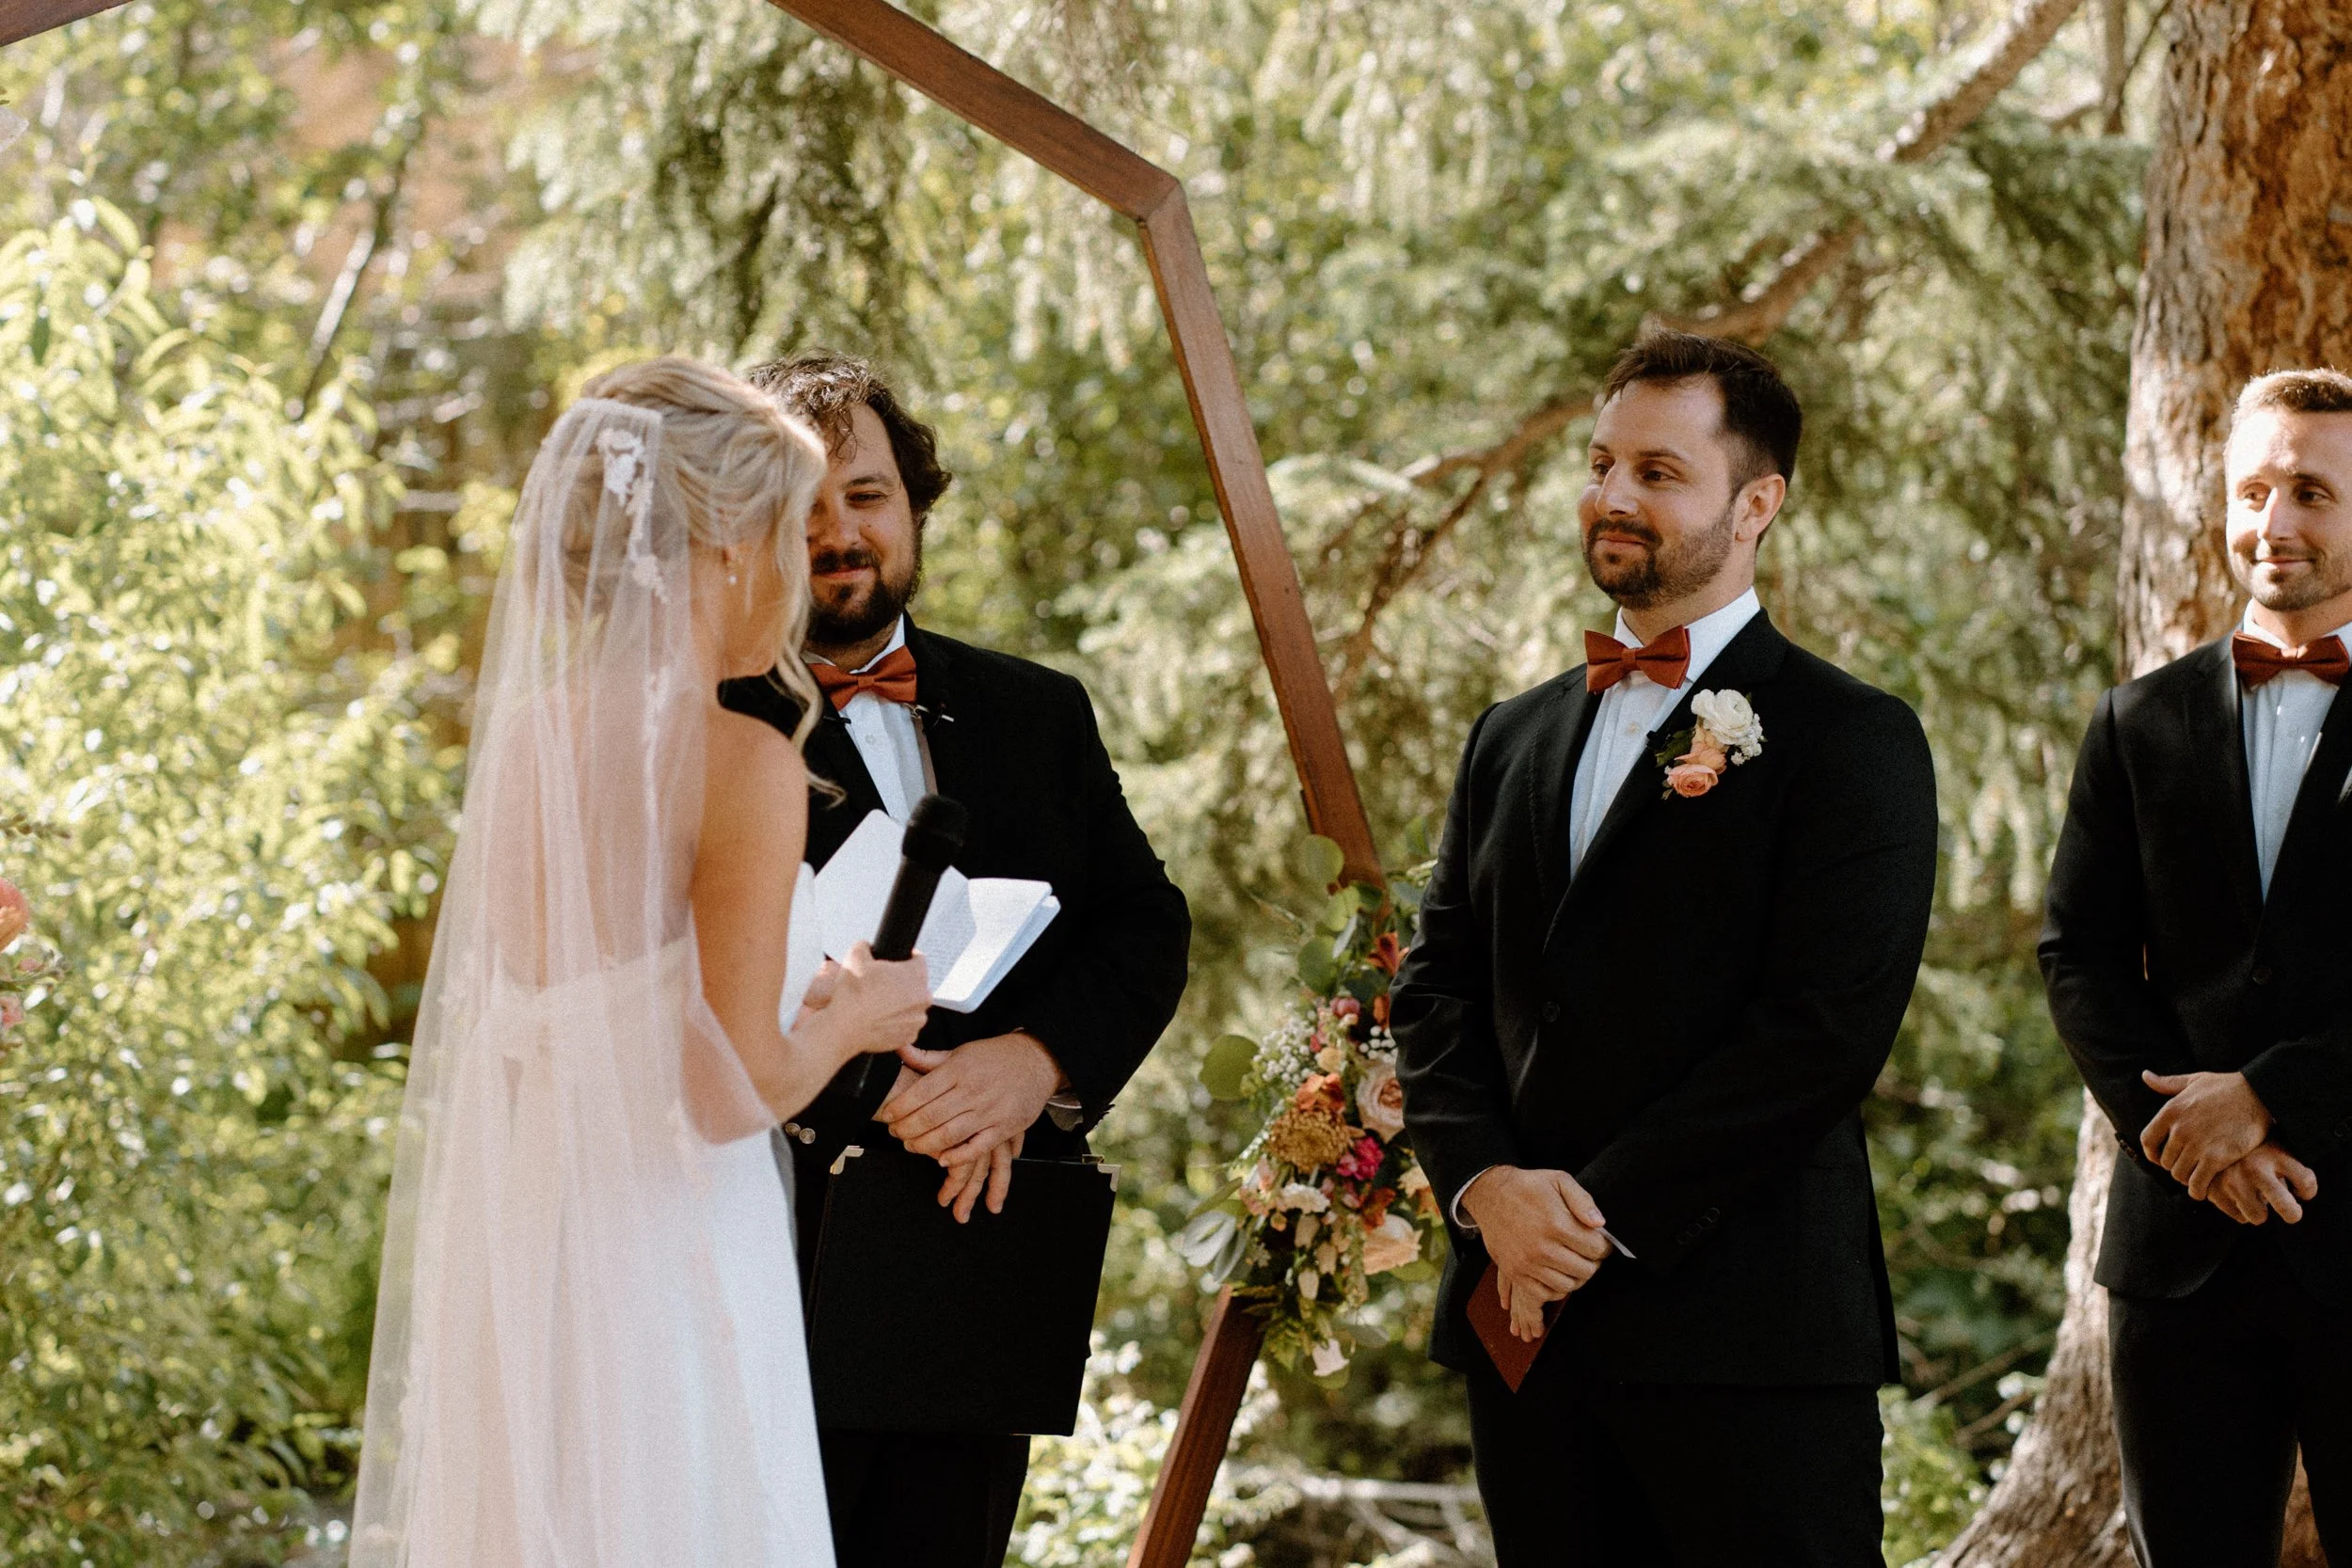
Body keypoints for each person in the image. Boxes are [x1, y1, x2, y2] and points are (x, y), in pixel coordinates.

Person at [349, 358, 934, 1567]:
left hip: (542, 1247)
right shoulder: (739, 759)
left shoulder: (527, 736)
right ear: (725, 543)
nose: (791, 565)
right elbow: (725, 1090)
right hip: (668, 1257)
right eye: (783, 526)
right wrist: (854, 1016)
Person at [1391, 329, 1939, 1565]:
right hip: (1523, 1328)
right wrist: (1485, 1188)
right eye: (1599, 464)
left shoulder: (1851, 738)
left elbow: (1822, 1030)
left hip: (1747, 1336)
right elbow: (1435, 986)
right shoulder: (1510, 735)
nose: (1613, 497)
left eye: (1658, 470)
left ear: (1758, 503)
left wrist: (1581, 1219)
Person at [718, 351, 1191, 1568]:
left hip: (977, 1251)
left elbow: (1144, 925)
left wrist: (1033, 1066)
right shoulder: (710, 733)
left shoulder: (1038, 710)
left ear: (915, 504)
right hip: (763, 1260)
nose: (839, 531)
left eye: (866, 495)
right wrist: (904, 1095)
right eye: (805, 502)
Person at [2041, 367, 2352, 1567]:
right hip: (2180, 1256)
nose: (2274, 523)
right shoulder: (2138, 720)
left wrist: (2268, 1097)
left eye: (2311, 493)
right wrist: (2187, 1135)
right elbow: (2076, 953)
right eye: (2254, 489)